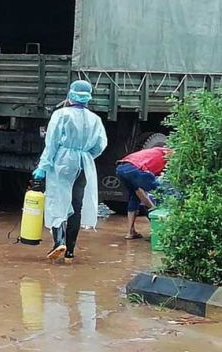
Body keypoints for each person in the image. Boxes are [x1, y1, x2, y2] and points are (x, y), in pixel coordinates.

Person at [32, 80, 108, 263]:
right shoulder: (95, 119)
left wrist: (43, 166)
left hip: (63, 163)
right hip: (84, 165)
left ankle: (59, 242)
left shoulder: (61, 115)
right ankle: (70, 253)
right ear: (88, 97)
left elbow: (51, 143)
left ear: (70, 95)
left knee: (58, 201)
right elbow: (101, 145)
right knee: (77, 205)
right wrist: (86, 156)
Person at [116, 146, 171, 240]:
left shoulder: (156, 151)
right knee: (162, 192)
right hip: (135, 168)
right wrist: (153, 208)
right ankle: (162, 229)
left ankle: (130, 232)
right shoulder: (169, 152)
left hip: (121, 168)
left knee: (134, 197)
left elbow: (140, 192)